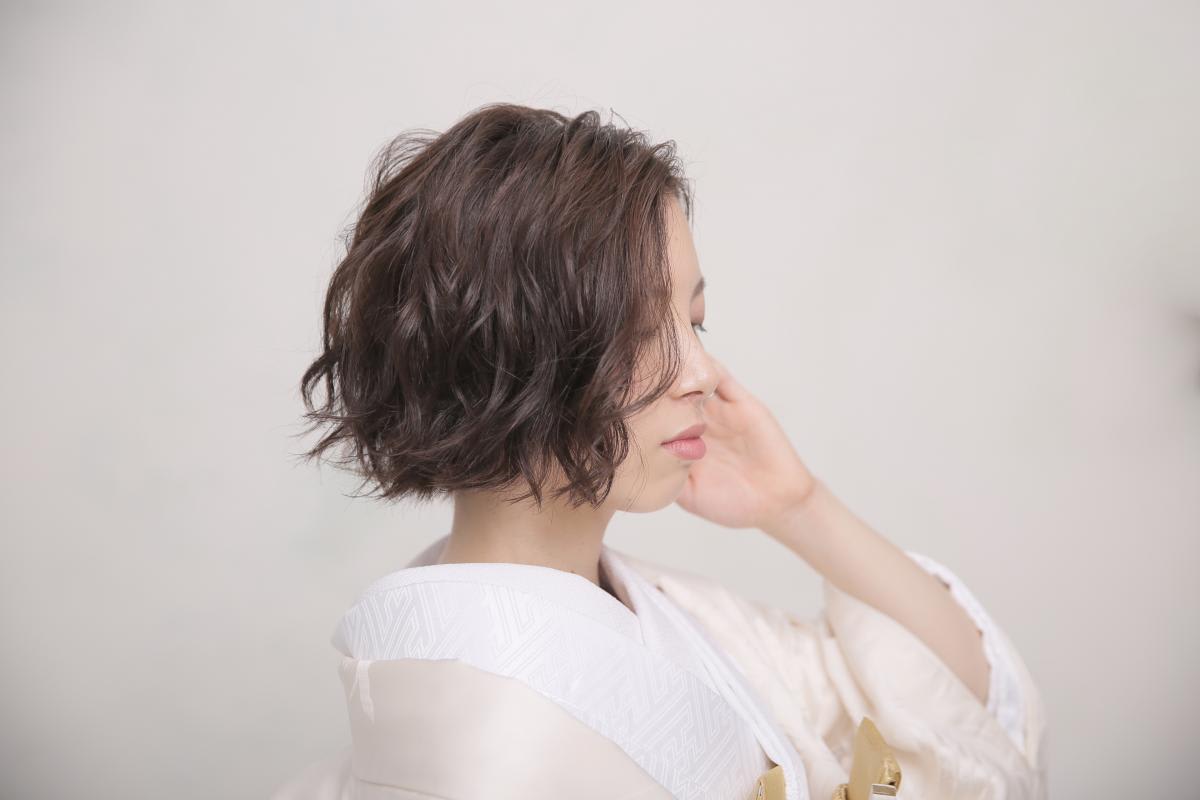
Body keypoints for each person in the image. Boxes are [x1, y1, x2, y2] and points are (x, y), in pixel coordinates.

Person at [273, 103, 1048, 799]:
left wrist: (798, 506)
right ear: (507, 352)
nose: (703, 373)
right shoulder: (498, 748)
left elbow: (961, 707)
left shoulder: (642, 607)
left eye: (695, 321)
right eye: (644, 332)